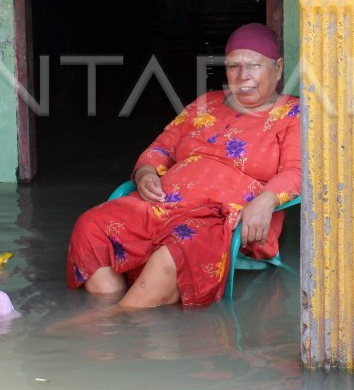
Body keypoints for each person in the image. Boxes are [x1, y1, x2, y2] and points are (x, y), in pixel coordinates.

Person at [65, 22, 301, 308]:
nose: (242, 76)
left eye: (254, 65)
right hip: (161, 204)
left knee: (177, 249)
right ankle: (116, 309)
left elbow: (297, 171)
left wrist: (266, 201)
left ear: (277, 68)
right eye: (233, 66)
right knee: (90, 227)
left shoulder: (292, 114)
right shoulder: (207, 102)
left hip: (216, 218)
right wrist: (146, 172)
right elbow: (162, 146)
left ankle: (110, 322)